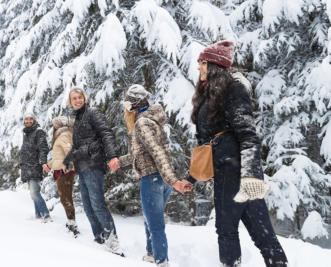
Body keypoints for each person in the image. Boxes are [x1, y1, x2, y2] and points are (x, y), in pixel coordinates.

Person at [187, 41, 288, 267]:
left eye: (202, 63)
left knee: (227, 229)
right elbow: (205, 143)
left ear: (214, 65)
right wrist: (191, 177)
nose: (198, 68)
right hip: (229, 167)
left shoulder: (233, 88)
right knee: (261, 232)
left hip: (234, 169)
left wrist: (250, 174)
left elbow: (248, 134)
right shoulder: (209, 93)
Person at [114, 84, 192, 267]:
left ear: (134, 104)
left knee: (156, 225)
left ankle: (161, 261)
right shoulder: (150, 121)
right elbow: (142, 153)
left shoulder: (142, 123)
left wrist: (174, 181)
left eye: (127, 105)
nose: (126, 110)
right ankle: (150, 254)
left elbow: (158, 153)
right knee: (151, 219)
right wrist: (120, 161)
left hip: (152, 179)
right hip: (160, 180)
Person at [62, 88, 123, 256]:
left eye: (79, 97)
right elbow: (76, 146)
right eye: (74, 98)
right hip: (82, 168)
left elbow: (106, 133)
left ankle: (112, 241)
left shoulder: (93, 113)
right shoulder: (78, 119)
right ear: (70, 101)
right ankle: (100, 240)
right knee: (88, 207)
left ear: (84, 98)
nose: (77, 100)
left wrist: (112, 156)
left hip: (94, 164)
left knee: (97, 205)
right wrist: (66, 161)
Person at [46, 116, 79, 236]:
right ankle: (71, 222)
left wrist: (68, 165)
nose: (53, 127)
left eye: (54, 125)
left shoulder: (64, 135)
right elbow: (58, 157)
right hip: (62, 170)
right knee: (65, 197)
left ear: (58, 125)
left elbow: (69, 152)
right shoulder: (63, 134)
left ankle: (72, 224)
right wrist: (49, 165)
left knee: (66, 198)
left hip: (64, 172)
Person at [20, 112, 51, 222]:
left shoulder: (38, 132)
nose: (28, 121)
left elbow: (43, 148)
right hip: (27, 168)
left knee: (34, 193)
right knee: (33, 193)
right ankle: (38, 215)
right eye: (26, 119)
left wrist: (43, 162)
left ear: (34, 120)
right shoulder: (26, 133)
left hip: (35, 167)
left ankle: (46, 215)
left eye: (30, 119)